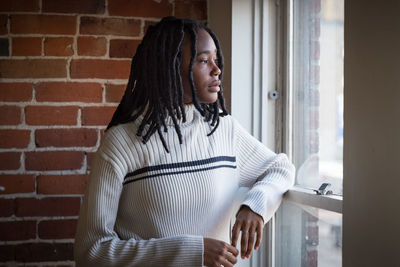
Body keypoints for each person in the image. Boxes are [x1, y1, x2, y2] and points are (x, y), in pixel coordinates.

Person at [74, 16, 295, 267]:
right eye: (203, 60)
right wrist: (191, 250)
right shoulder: (121, 143)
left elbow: (280, 168)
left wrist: (255, 206)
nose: (216, 69)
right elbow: (90, 252)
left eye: (215, 59)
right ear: (170, 66)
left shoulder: (222, 129)